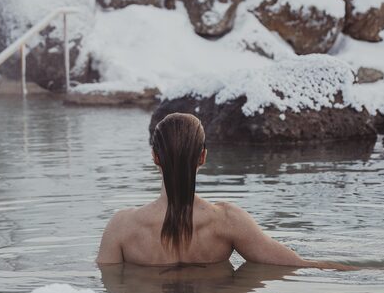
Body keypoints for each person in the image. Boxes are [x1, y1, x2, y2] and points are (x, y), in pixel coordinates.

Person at [96, 112, 355, 269]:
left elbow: (105, 283)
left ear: (155, 157)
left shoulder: (122, 227)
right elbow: (299, 266)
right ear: (203, 157)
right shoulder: (228, 221)